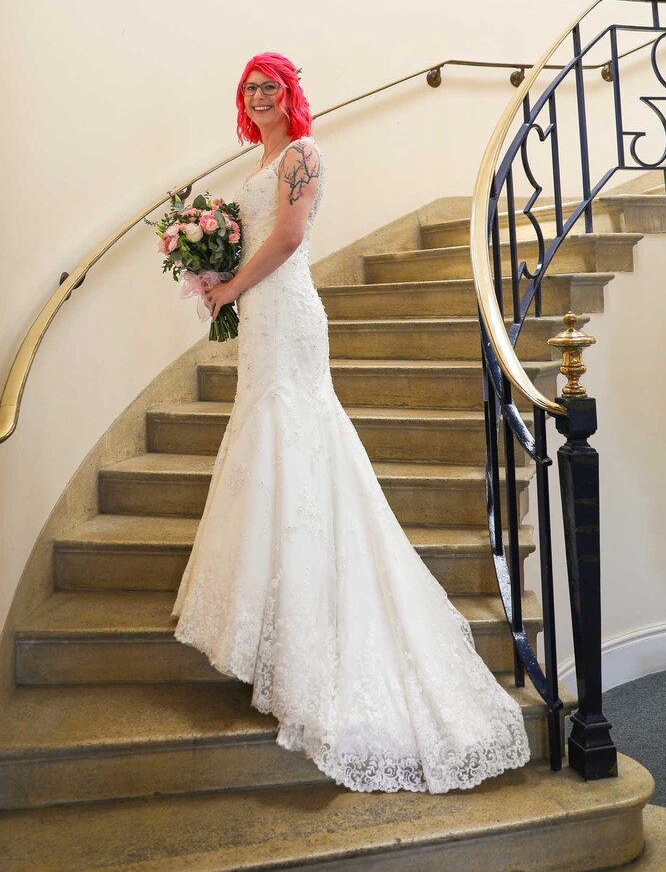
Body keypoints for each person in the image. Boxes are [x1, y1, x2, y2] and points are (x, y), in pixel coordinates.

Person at [171, 51, 531, 793]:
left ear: (290, 94)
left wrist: (231, 284)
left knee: (298, 445)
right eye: (251, 86)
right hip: (259, 320)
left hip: (288, 315)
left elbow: (292, 237)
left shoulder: (302, 154)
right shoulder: (257, 160)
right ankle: (272, 636)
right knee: (265, 450)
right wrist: (209, 271)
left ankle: (313, 649)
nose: (262, 94)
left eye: (272, 84)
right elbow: (248, 234)